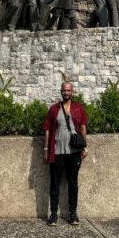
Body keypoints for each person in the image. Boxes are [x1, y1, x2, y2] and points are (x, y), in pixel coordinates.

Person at [42, 81, 88, 226]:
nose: (66, 92)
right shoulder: (54, 109)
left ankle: (73, 214)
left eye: (69, 90)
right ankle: (54, 215)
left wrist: (84, 147)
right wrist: (45, 149)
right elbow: (48, 129)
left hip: (74, 152)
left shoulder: (78, 108)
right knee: (54, 184)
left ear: (72, 92)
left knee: (73, 184)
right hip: (57, 153)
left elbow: (83, 128)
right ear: (61, 91)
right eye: (64, 90)